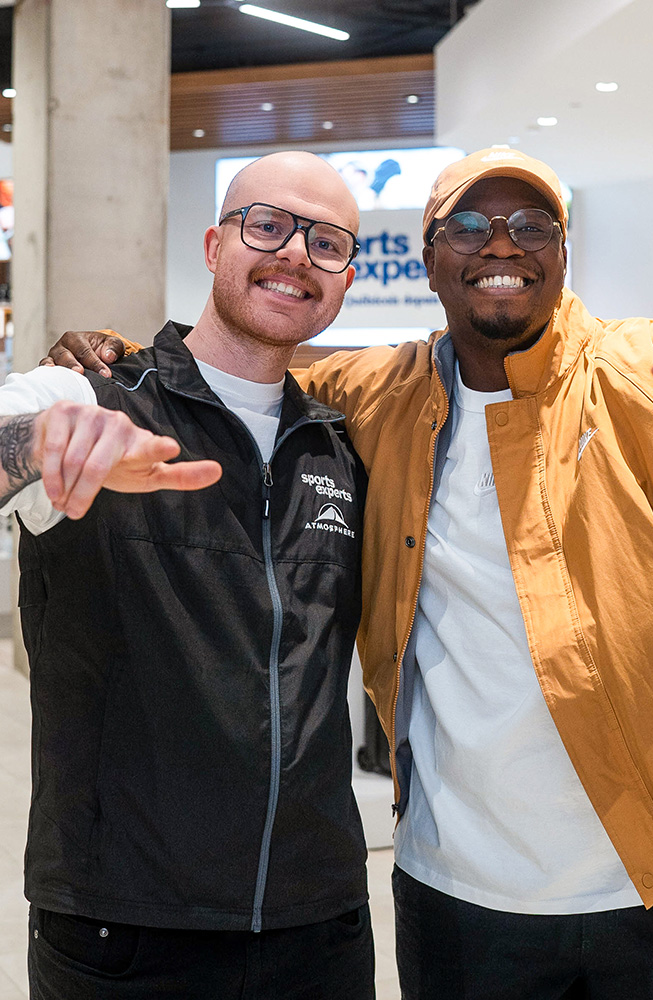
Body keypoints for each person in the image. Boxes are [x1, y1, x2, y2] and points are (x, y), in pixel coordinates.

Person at [46, 146, 653, 999]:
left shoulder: (647, 374)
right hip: (457, 889)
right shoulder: (378, 394)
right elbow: (242, 375)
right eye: (470, 225)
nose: (503, 244)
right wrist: (113, 364)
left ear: (564, 254)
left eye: (533, 225)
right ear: (430, 260)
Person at [4, 151, 375, 1000]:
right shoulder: (89, 396)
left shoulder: (339, 447)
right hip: (124, 927)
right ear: (214, 246)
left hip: (318, 923)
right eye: (267, 225)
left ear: (345, 280)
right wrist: (35, 445)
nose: (295, 254)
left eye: (326, 243)